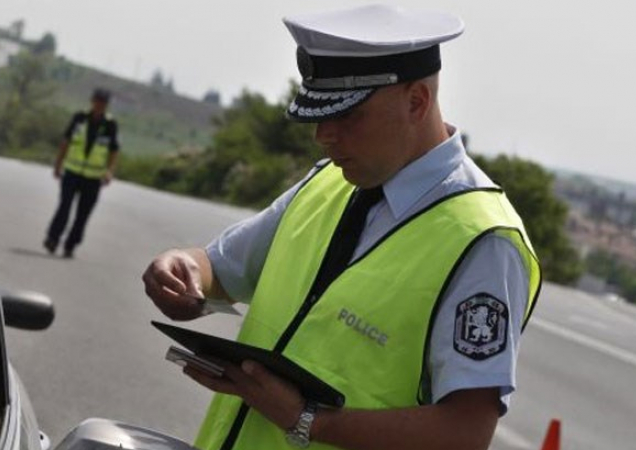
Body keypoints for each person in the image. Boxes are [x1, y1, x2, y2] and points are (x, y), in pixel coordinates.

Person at [142, 4, 541, 450]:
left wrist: (307, 420)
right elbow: (221, 267)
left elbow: (464, 434)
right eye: (318, 115)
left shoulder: (483, 240)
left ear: (416, 102)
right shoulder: (328, 182)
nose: (323, 136)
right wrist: (185, 270)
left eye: (346, 116)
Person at [44, 88, 120, 258]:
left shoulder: (110, 125)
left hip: (93, 178)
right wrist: (58, 164)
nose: (99, 104)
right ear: (92, 101)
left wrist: (109, 171)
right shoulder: (80, 118)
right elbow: (66, 141)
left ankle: (71, 245)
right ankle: (52, 238)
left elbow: (114, 151)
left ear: (106, 105)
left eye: (103, 102)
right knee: (64, 207)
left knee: (83, 214)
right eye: (97, 100)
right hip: (72, 172)